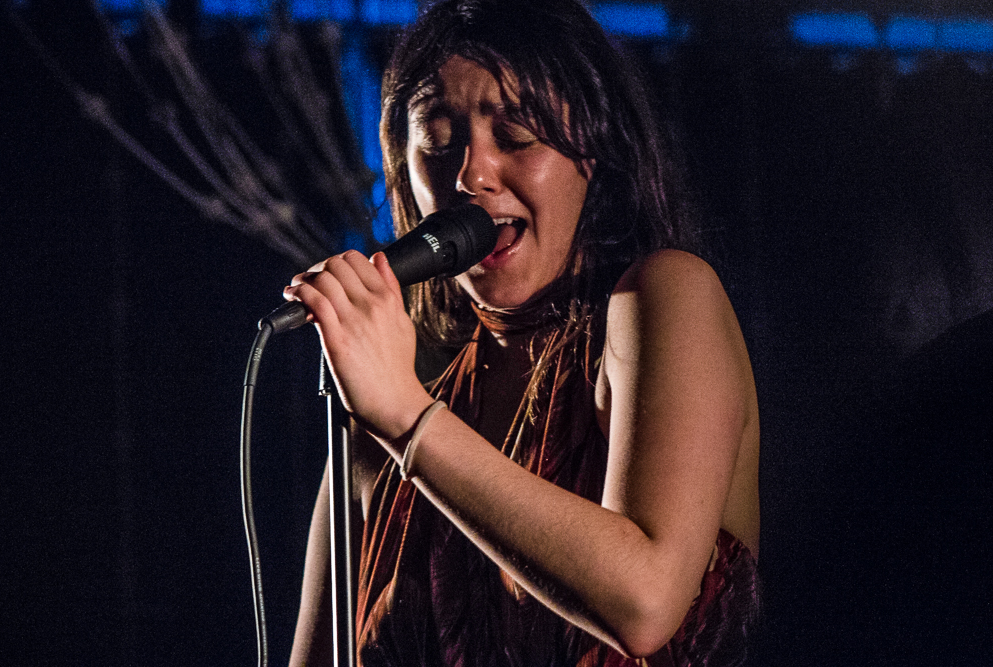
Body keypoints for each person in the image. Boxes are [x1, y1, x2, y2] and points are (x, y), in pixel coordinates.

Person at [285, 1, 761, 665]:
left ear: (593, 156)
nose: (470, 175)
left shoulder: (664, 299)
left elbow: (646, 601)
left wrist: (411, 422)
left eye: (515, 137)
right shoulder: (373, 445)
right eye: (439, 141)